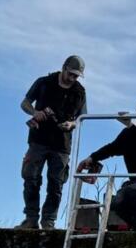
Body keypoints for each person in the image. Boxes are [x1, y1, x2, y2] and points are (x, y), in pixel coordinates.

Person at [75, 100, 136, 232]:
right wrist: (91, 158)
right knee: (116, 203)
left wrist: (131, 126)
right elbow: (111, 148)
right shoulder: (128, 134)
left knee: (133, 192)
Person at [18, 55, 87, 229]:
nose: (72, 78)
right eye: (70, 74)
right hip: (38, 140)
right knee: (31, 178)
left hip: (62, 144)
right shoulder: (44, 82)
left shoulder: (79, 91)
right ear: (64, 68)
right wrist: (34, 112)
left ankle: (49, 221)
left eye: (76, 76)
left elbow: (82, 118)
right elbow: (25, 103)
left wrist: (71, 124)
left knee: (56, 183)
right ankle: (31, 218)